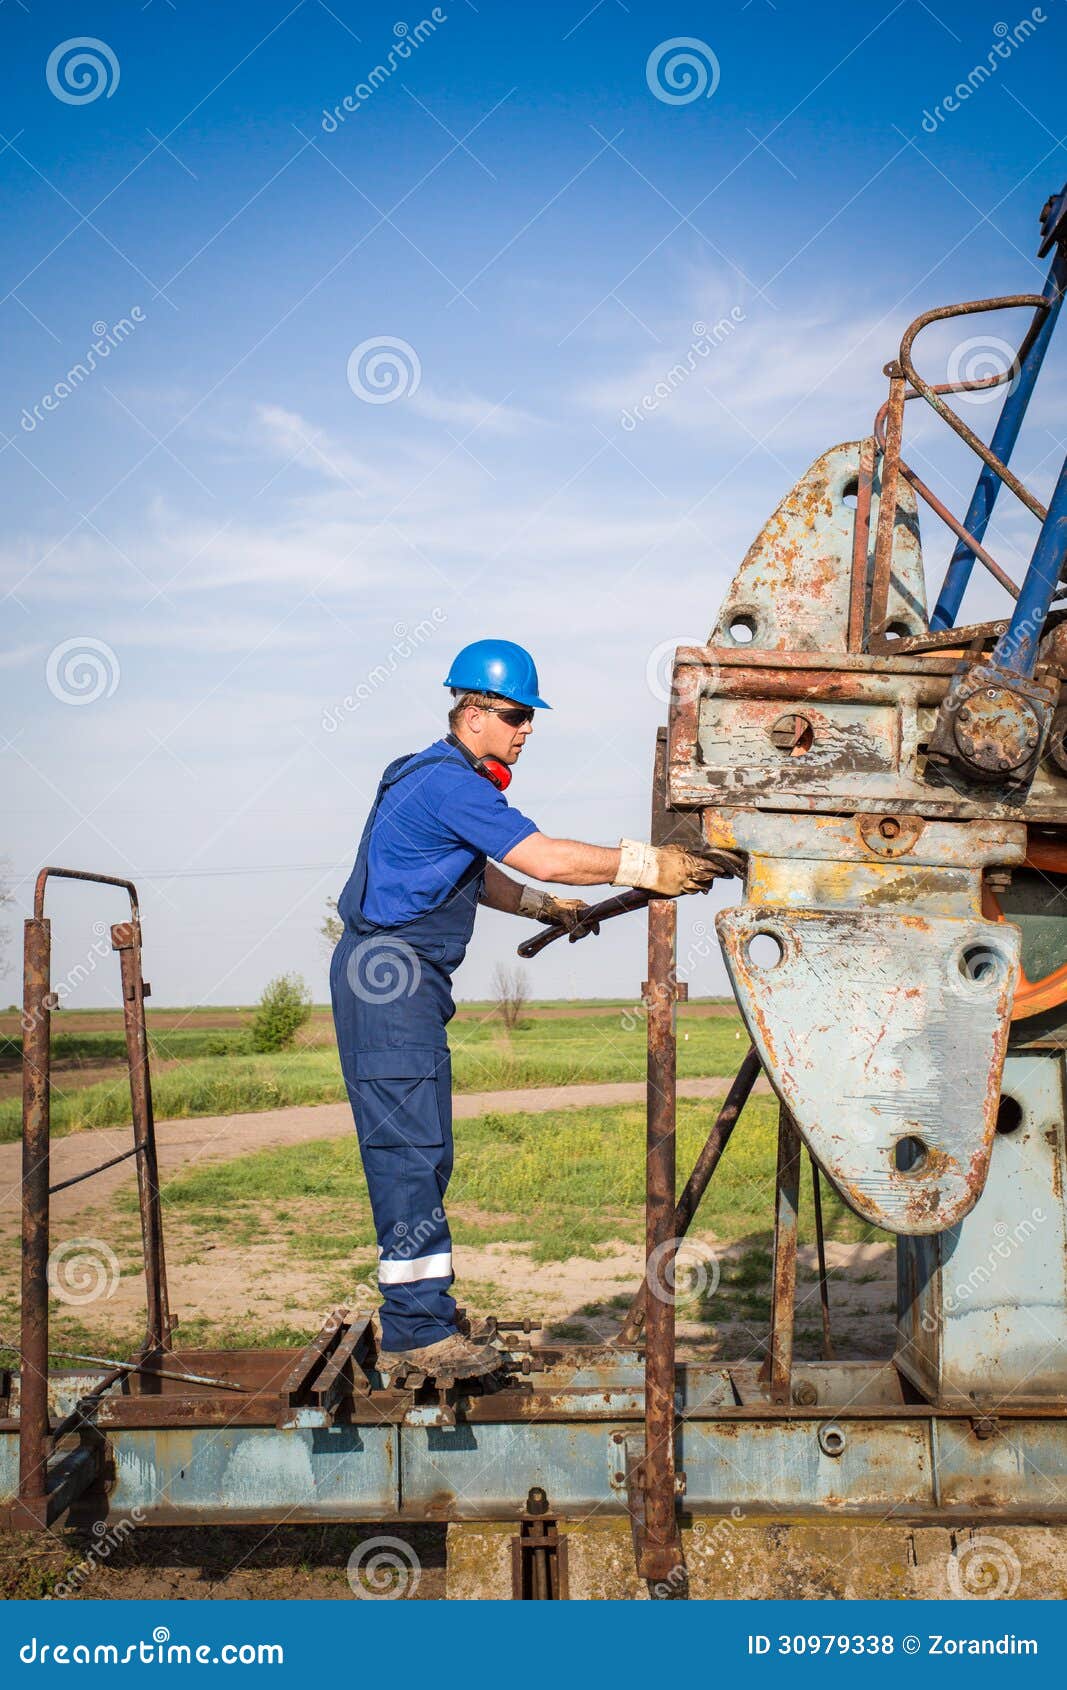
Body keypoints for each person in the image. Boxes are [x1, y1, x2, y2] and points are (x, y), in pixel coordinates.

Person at [330, 639, 719, 1381]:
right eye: (514, 715)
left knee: (423, 1148)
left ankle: (422, 1316)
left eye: (529, 718)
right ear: (470, 713)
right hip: (389, 980)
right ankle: (415, 1332)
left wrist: (544, 907)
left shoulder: (427, 776)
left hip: (397, 979)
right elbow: (538, 853)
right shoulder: (453, 786)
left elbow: (477, 874)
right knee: (408, 1153)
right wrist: (647, 865)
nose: (526, 730)